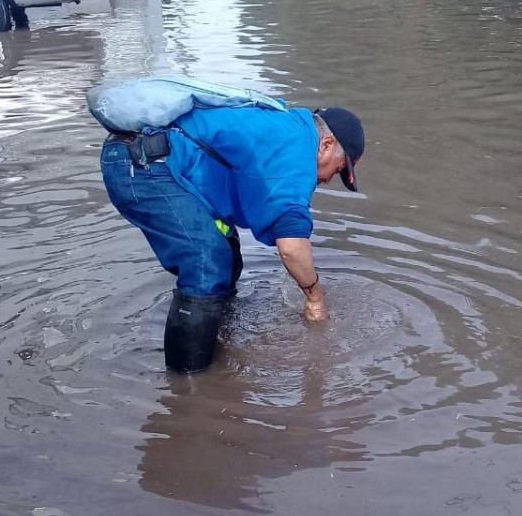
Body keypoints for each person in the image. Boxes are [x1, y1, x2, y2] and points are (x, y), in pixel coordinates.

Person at [99, 102, 366, 374]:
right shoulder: (297, 154)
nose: (331, 179)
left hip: (153, 160)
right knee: (207, 261)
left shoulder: (287, 129)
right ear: (326, 145)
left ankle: (215, 346)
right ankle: (187, 391)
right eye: (339, 168)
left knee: (227, 260)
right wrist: (315, 298)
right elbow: (292, 248)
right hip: (139, 163)